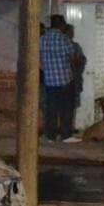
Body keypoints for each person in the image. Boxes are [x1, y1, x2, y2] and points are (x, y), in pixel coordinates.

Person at [40, 15, 80, 143]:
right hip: (65, 80)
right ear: (61, 25)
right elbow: (73, 59)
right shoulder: (64, 39)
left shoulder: (42, 39)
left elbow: (38, 59)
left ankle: (50, 136)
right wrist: (74, 71)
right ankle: (65, 135)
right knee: (66, 109)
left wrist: (46, 69)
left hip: (49, 80)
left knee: (51, 109)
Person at [63, 23, 87, 132]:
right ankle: (63, 127)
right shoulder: (63, 46)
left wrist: (77, 64)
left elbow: (82, 60)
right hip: (63, 80)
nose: (72, 35)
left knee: (73, 105)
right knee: (62, 105)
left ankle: (70, 127)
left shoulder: (76, 46)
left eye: (72, 33)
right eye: (70, 32)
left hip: (74, 80)